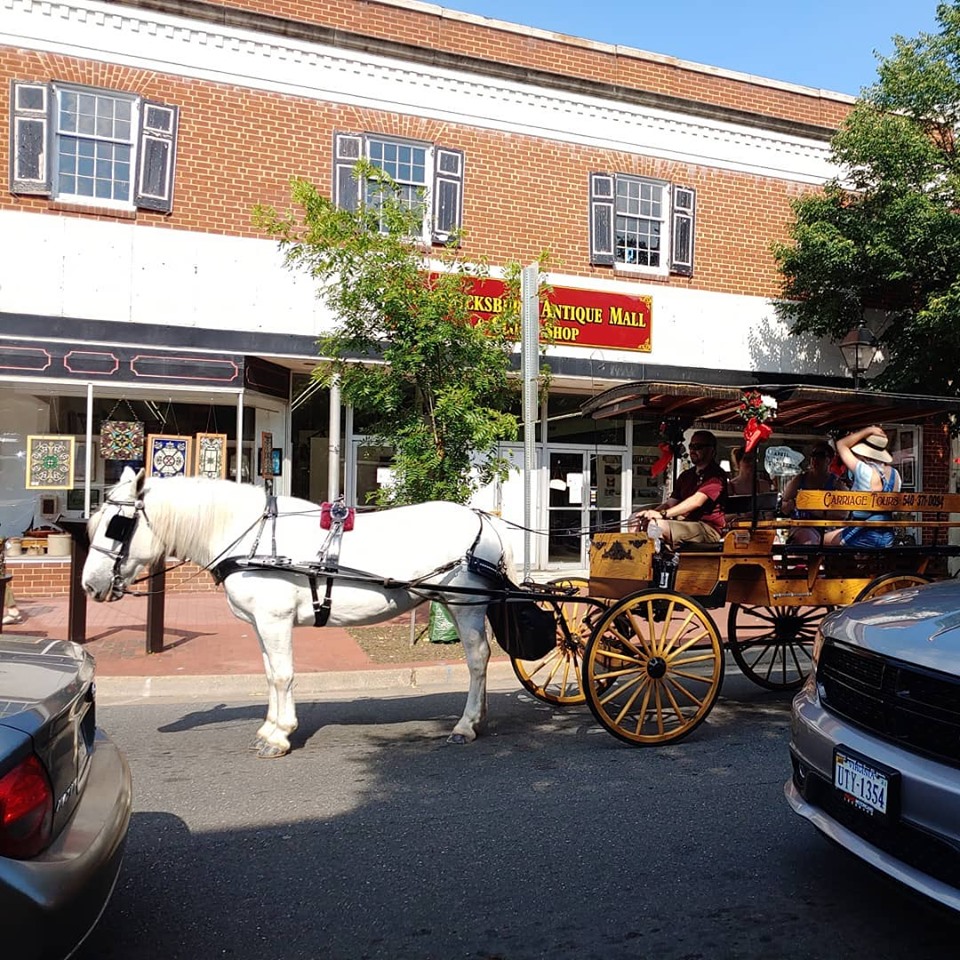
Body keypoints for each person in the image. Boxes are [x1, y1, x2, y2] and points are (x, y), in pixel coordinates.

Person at [629, 430, 727, 547]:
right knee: (635, 519)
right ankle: (636, 556)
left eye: (698, 446)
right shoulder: (686, 475)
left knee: (656, 525)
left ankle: (656, 560)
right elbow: (670, 503)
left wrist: (663, 514)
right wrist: (652, 513)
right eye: (691, 446)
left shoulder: (716, 476)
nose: (692, 450)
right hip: (685, 524)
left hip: (708, 529)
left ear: (712, 450)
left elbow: (696, 502)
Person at [823, 426, 900, 548]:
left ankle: (837, 567)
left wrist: (868, 430)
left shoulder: (863, 470)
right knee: (838, 534)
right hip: (887, 536)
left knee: (822, 541)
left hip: (863, 533)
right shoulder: (895, 475)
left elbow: (841, 444)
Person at [781, 441, 847, 545]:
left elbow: (844, 513)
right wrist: (790, 505)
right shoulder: (800, 479)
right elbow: (783, 507)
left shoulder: (836, 483)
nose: (815, 459)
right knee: (808, 539)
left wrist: (817, 512)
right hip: (802, 527)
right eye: (813, 455)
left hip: (827, 529)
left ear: (829, 460)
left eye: (820, 456)